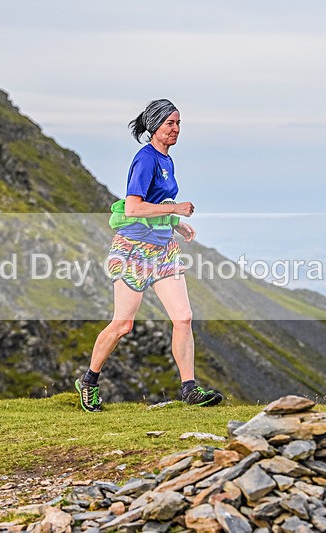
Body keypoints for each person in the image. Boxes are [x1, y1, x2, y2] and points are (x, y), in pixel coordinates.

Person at [74, 99, 223, 412]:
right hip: (134, 250)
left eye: (179, 123)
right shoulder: (145, 159)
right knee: (123, 325)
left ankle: (190, 389)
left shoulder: (167, 160)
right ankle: (89, 381)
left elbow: (156, 203)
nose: (176, 129)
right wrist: (176, 208)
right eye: (170, 123)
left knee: (183, 317)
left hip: (164, 248)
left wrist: (175, 223)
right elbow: (133, 207)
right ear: (154, 126)